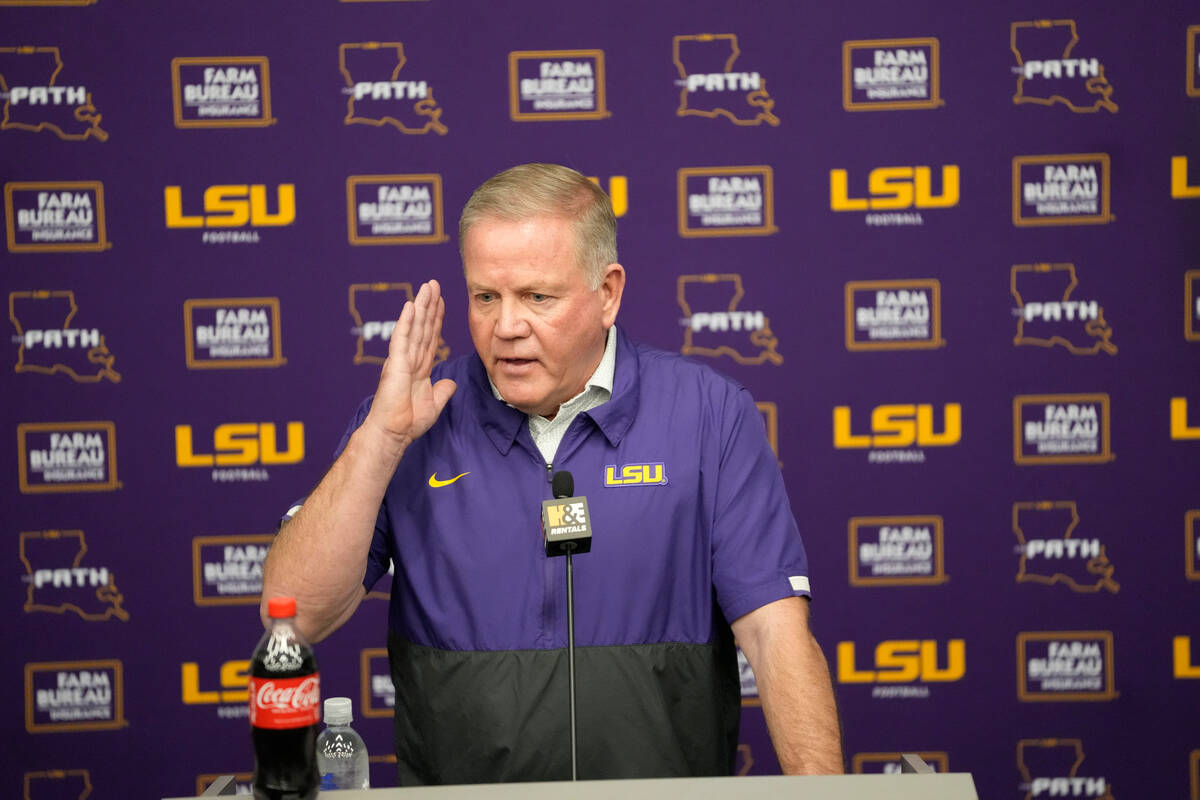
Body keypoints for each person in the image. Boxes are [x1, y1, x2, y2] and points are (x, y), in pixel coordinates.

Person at [261, 163, 843, 783]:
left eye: (538, 297)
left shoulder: (709, 414)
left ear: (608, 292)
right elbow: (292, 617)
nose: (507, 327)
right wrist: (380, 440)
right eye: (486, 297)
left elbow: (776, 634)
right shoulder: (408, 420)